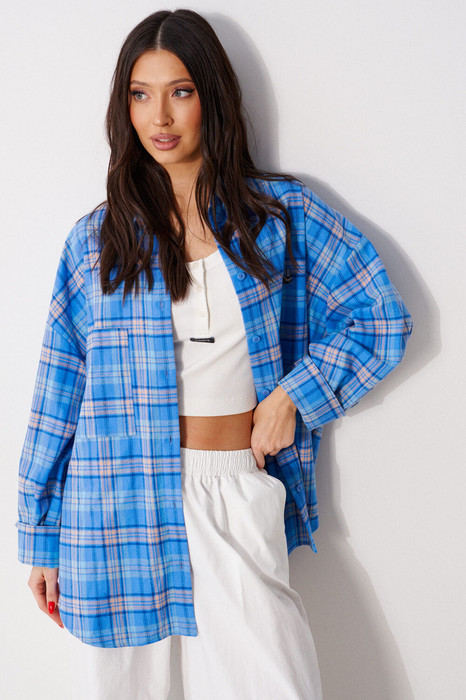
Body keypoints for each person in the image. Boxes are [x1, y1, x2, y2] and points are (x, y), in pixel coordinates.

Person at [16, 8, 413, 700]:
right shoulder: (97, 243)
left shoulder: (280, 217)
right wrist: (41, 537)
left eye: (181, 91)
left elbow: (380, 317)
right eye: (140, 94)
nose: (160, 116)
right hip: (112, 503)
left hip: (230, 488)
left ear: (212, 97)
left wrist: (294, 396)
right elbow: (58, 395)